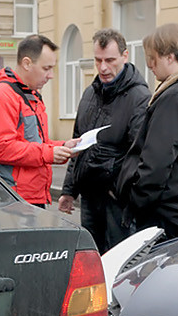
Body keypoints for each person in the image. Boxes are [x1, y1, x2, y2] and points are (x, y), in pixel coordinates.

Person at [115, 23, 178, 239]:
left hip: (167, 215)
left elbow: (156, 163)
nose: (150, 66)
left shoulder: (174, 97)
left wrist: (136, 202)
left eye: (153, 58)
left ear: (170, 56)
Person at [58, 29, 150, 252]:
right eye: (98, 60)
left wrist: (120, 191)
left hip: (117, 202)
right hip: (90, 198)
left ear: (125, 56)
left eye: (110, 60)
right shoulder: (90, 93)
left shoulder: (139, 97)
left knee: (118, 262)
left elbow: (140, 153)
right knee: (92, 261)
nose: (103, 68)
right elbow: (78, 143)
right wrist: (69, 190)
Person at [0, 34, 77, 208]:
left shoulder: (29, 95)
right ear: (26, 63)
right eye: (46, 68)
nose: (51, 75)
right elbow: (0, 148)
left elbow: (36, 142)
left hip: (30, 196)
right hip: (12, 199)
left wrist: (62, 146)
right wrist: (49, 153)